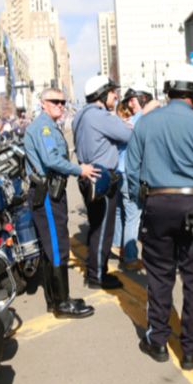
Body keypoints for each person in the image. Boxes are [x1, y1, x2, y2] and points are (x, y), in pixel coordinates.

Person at [126, 64, 193, 371]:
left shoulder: (146, 122)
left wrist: (141, 201)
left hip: (156, 205)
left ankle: (157, 341)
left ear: (168, 91)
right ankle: (192, 348)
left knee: (158, 276)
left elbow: (132, 169)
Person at [23, 87, 99, 319]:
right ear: (43, 103)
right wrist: (80, 170)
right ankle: (62, 303)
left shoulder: (48, 125)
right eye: (54, 101)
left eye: (62, 101)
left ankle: (54, 300)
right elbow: (51, 159)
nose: (60, 104)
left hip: (51, 191)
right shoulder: (43, 126)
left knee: (52, 247)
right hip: (47, 192)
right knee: (57, 248)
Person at [73, 76, 132, 290]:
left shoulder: (81, 114)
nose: (116, 96)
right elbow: (127, 134)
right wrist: (118, 122)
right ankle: (97, 275)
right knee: (104, 229)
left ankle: (94, 270)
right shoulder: (100, 115)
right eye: (112, 92)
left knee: (96, 225)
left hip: (89, 177)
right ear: (101, 94)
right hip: (102, 178)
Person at [113, 84, 159, 271]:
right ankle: (131, 258)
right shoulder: (135, 120)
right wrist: (152, 102)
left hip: (119, 171)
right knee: (133, 215)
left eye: (133, 99)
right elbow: (152, 105)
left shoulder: (128, 120)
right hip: (128, 172)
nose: (131, 104)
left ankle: (118, 246)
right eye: (129, 101)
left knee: (121, 212)